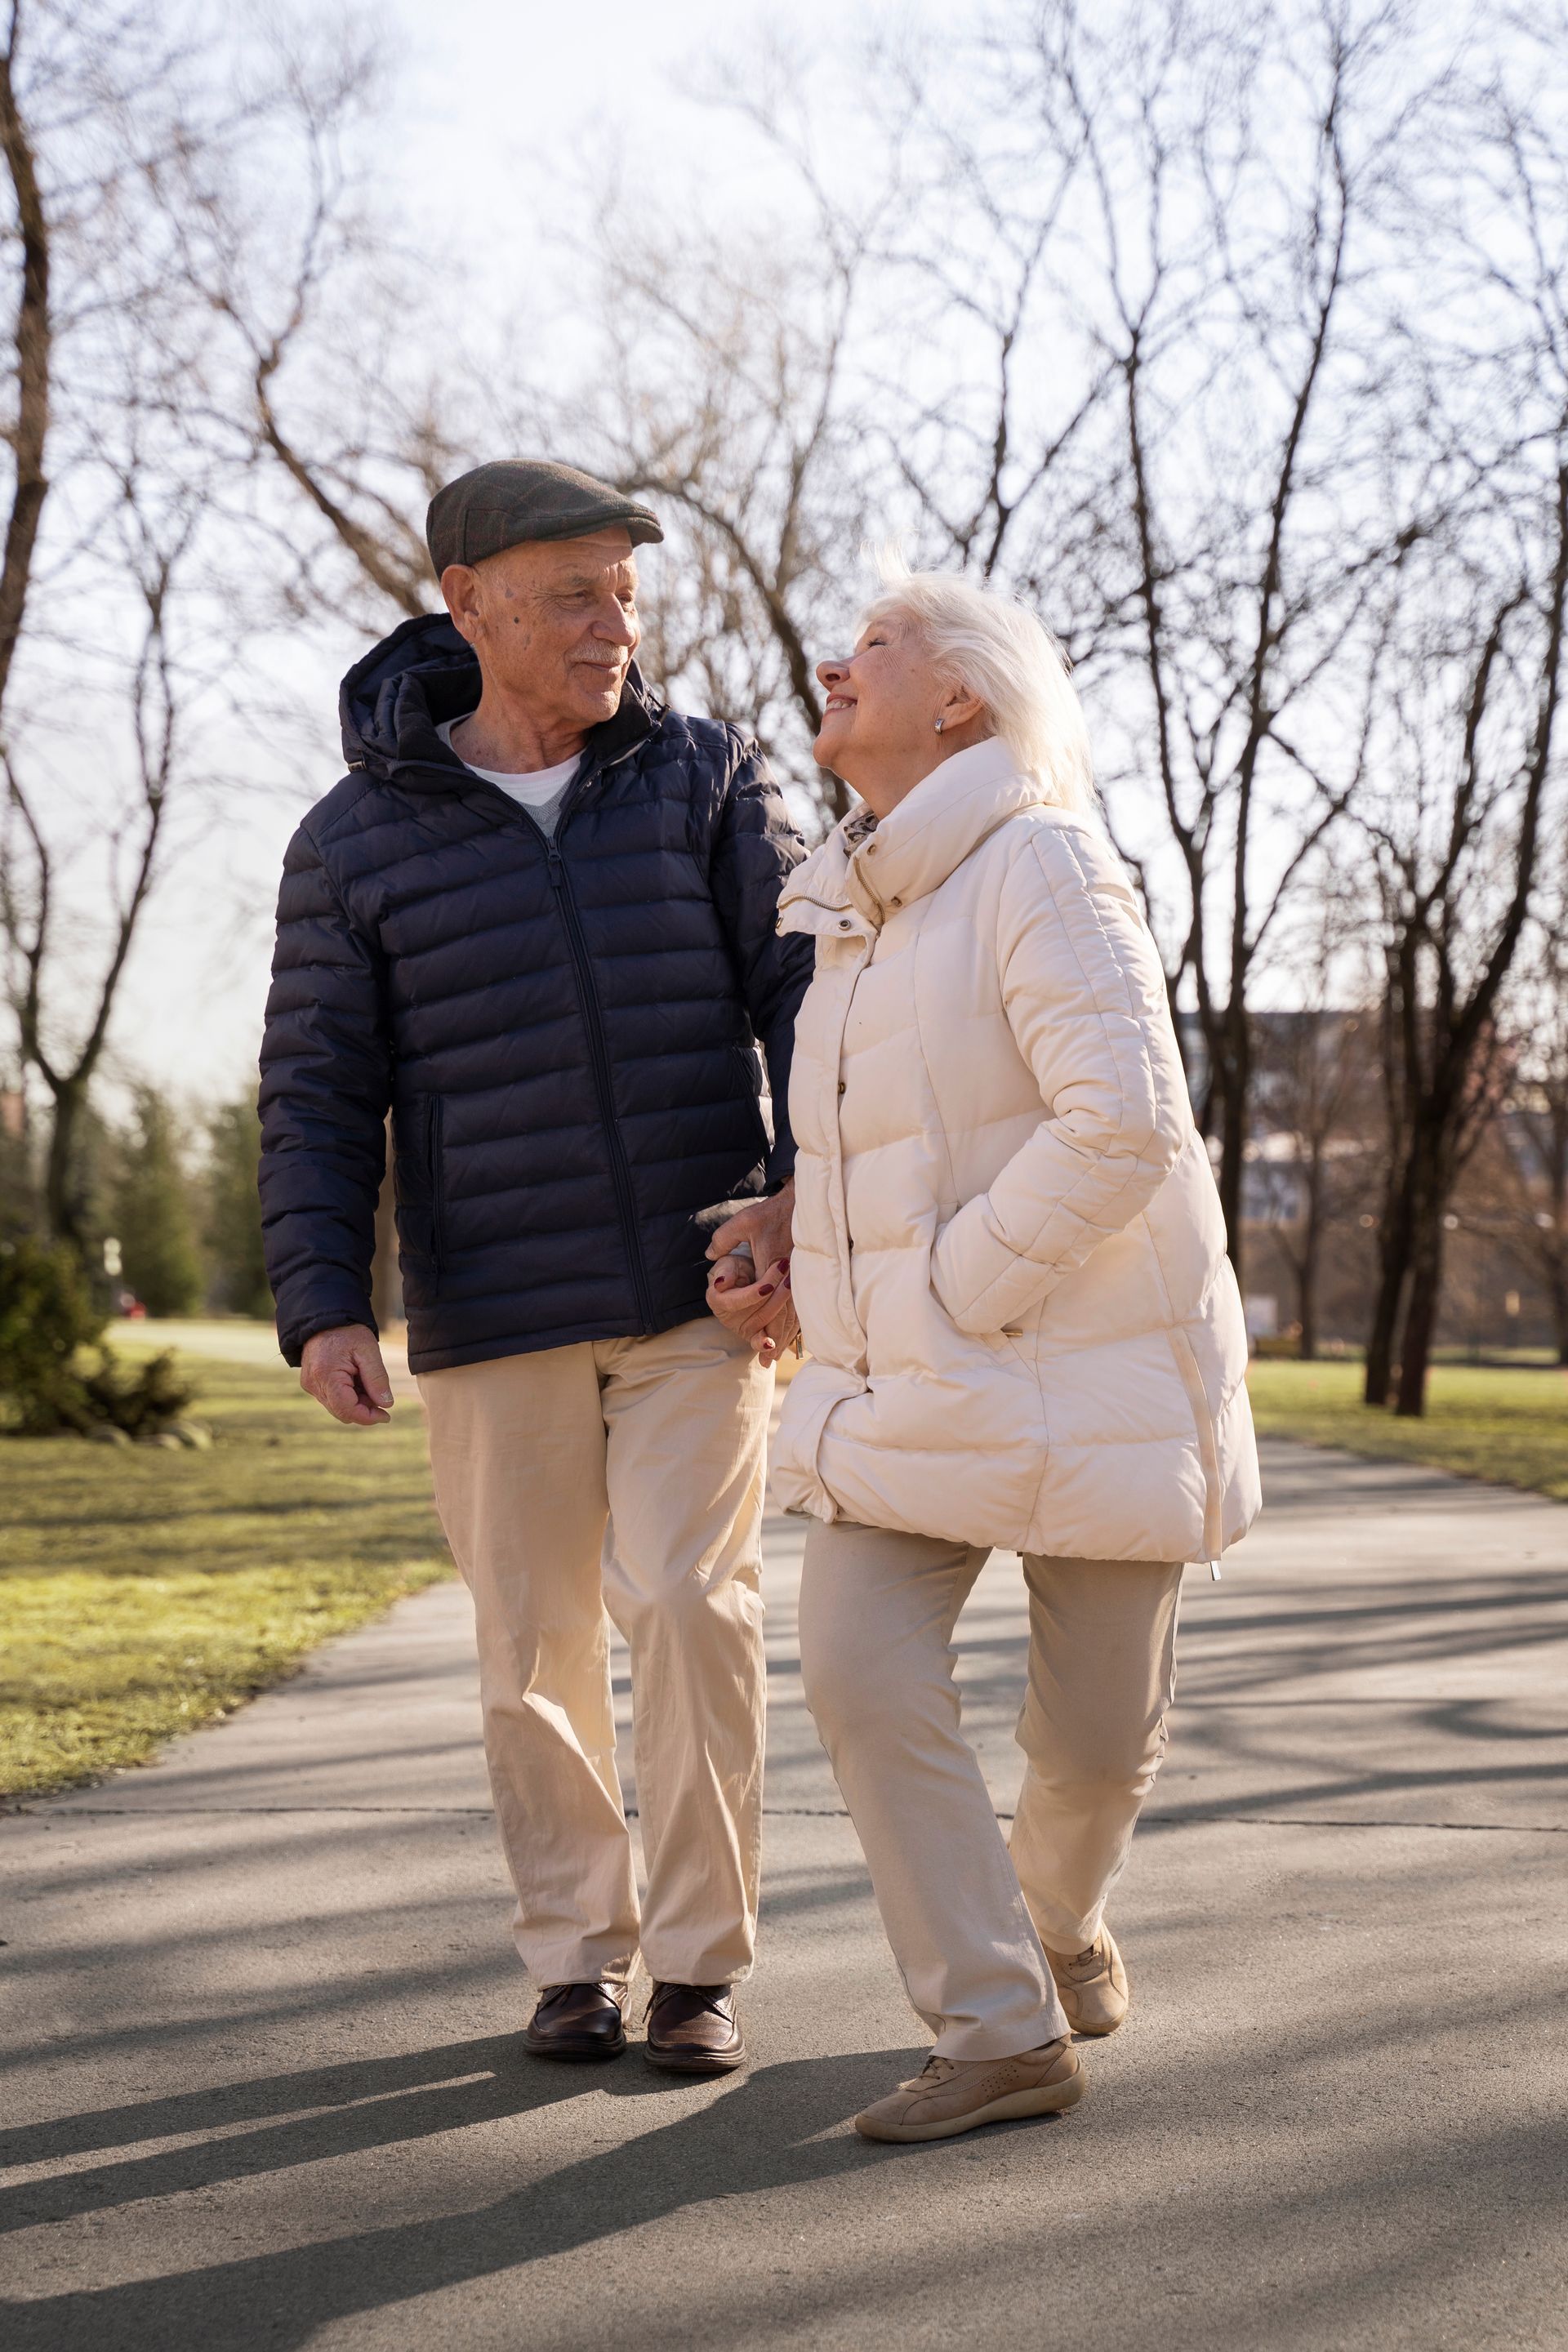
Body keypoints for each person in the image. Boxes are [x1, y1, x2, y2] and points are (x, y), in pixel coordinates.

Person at [259, 459, 813, 2074]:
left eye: (626, 593)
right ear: (470, 604)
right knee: (533, 1643)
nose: (611, 625)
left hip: (697, 1289)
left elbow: (800, 995)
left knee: (696, 1607)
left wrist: (800, 1198)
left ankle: (701, 1966)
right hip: (495, 1306)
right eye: (573, 592)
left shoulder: (703, 775)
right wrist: (323, 1302)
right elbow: (312, 1088)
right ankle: (578, 1956)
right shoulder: (357, 838)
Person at [747, 562, 1260, 2144]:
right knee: (854, 1668)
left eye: (878, 645)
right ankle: (996, 2029)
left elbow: (1125, 1126)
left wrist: (961, 1282)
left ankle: (1055, 1930)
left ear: (962, 695)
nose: (838, 662)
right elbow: (890, 1146)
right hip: (906, 1389)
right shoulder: (855, 908)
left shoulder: (1041, 863)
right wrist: (787, 1235)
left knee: (1093, 1750)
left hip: (1091, 1370)